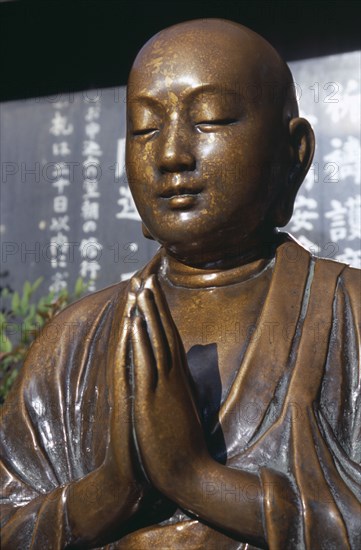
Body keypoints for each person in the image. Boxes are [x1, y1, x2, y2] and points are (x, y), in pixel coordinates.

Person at [1, 18, 360, 550]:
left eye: (211, 119)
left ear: (295, 154)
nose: (170, 155)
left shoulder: (349, 315)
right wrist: (109, 493)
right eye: (145, 128)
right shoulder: (72, 343)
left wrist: (196, 480)